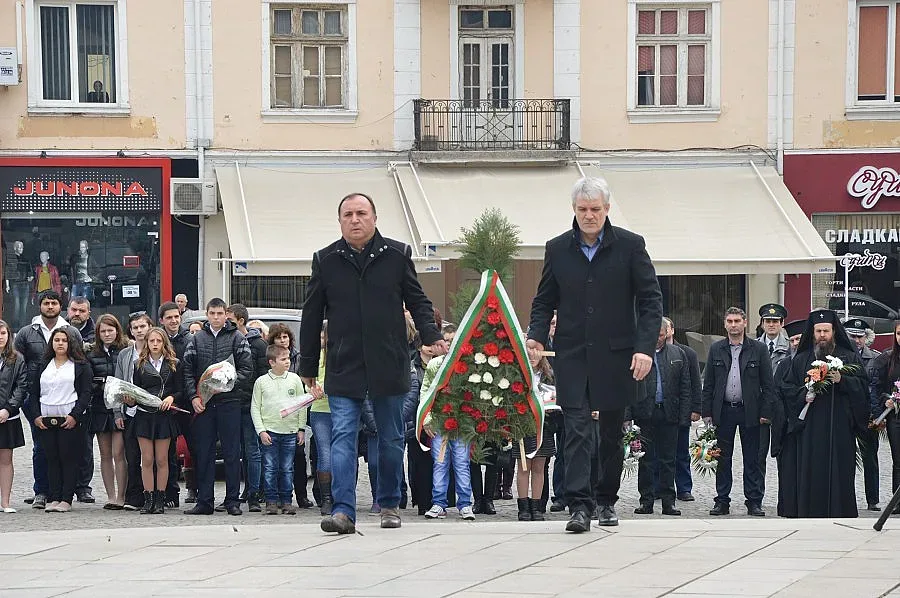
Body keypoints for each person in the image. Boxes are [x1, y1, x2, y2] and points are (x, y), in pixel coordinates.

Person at [300, 192, 445, 534]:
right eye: (348, 214)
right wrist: (307, 365)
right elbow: (310, 315)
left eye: (361, 213)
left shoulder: (397, 255)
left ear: (374, 218)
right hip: (343, 364)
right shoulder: (326, 259)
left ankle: (390, 503)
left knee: (392, 439)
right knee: (343, 438)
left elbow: (418, 299)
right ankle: (343, 511)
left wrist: (430, 334)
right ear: (340, 221)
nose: (355, 219)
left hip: (388, 362)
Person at [526, 176, 662, 533]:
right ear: (574, 210)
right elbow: (543, 301)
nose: (589, 216)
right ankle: (579, 505)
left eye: (596, 210)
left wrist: (644, 349)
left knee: (612, 434)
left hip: (618, 356)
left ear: (607, 210)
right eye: (583, 209)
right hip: (572, 355)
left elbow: (651, 301)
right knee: (576, 430)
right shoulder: (557, 249)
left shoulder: (631, 246)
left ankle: (606, 499)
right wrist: (536, 337)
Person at [779, 309, 869, 518]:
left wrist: (842, 380)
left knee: (840, 472)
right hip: (809, 429)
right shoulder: (801, 359)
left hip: (839, 427)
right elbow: (787, 389)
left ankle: (840, 510)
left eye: (825, 331)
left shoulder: (848, 357)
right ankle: (808, 510)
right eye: (818, 331)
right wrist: (804, 394)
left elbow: (863, 388)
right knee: (810, 470)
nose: (822, 335)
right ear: (812, 333)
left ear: (834, 332)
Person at [182, 298, 253, 516]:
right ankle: (205, 501)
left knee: (232, 453)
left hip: (229, 403)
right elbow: (187, 371)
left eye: (220, 313)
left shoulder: (237, 338)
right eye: (212, 313)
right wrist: (194, 396)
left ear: (226, 315)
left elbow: (246, 370)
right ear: (207, 314)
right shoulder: (196, 339)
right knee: (204, 453)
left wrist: (225, 384)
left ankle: (232, 501)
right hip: (203, 404)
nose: (215, 317)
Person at [701, 307, 775, 517]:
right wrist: (707, 412)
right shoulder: (716, 349)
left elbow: (768, 385)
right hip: (723, 411)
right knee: (722, 458)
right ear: (725, 324)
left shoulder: (758, 349)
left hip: (750, 411)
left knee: (753, 459)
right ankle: (722, 500)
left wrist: (766, 412)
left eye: (737, 321)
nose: (733, 325)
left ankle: (754, 501)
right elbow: (709, 383)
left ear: (745, 323)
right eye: (730, 321)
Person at [16, 290, 82, 510]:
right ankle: (42, 491)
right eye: (46, 303)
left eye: (54, 303)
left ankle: (74, 491)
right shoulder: (27, 332)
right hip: (38, 401)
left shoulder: (71, 332)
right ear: (40, 305)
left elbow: (81, 363)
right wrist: (29, 402)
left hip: (68, 405)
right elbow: (19, 364)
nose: (50, 306)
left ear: (60, 306)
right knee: (41, 449)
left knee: (69, 451)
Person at [627, 321, 691, 516]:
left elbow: (685, 387)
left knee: (668, 460)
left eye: (661, 335)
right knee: (644, 459)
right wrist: (627, 415)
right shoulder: (637, 355)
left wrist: (684, 416)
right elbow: (628, 386)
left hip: (669, 413)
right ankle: (646, 501)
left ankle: (668, 502)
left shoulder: (677, 354)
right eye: (654, 334)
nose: (657, 339)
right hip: (644, 413)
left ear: (667, 333)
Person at [31, 327, 92, 512]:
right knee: (51, 458)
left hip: (69, 418)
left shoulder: (80, 365)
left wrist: (75, 415)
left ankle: (66, 499)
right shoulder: (44, 364)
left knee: (68, 458)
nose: (60, 343)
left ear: (70, 343)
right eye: (56, 340)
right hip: (46, 419)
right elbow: (33, 393)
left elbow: (86, 393)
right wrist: (35, 416)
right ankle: (54, 497)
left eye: (64, 340)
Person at [130, 328, 183, 514]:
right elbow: (135, 391)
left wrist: (171, 399)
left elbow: (180, 390)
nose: (154, 344)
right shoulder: (139, 364)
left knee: (162, 459)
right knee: (147, 459)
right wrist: (130, 399)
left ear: (164, 343)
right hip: (144, 415)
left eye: (158, 341)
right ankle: (148, 499)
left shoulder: (174, 363)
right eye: (151, 340)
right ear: (147, 343)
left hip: (163, 416)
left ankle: (160, 498)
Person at [252, 344, 308, 515]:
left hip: (290, 432)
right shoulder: (261, 382)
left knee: (287, 468)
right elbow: (255, 407)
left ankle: (286, 500)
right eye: (283, 359)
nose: (287, 362)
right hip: (270, 431)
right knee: (269, 467)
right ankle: (270, 500)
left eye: (288, 358)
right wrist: (261, 430)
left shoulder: (294, 379)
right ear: (271, 362)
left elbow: (302, 404)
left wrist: (301, 428)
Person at [420, 355, 475, 521]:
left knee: (462, 463)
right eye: (447, 340)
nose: (450, 343)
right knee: (440, 463)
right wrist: (427, 419)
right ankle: (438, 503)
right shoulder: (435, 364)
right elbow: (426, 391)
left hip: (461, 424)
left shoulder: (468, 364)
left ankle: (465, 504)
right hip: (439, 422)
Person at [226, 303, 267, 513]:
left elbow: (262, 375)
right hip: (233, 402)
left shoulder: (258, 344)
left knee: (253, 450)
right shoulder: (228, 339)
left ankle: (254, 494)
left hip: (251, 402)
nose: (226, 322)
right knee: (240, 450)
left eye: (230, 319)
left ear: (241, 320)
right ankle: (245, 490)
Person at [268, 323, 314, 509]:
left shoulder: (298, 358)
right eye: (279, 337)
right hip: (275, 416)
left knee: (298, 458)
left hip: (296, 414)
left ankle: (301, 495)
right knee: (275, 461)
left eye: (285, 337)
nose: (282, 340)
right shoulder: (270, 359)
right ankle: (276, 496)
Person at [287, 321, 331, 515]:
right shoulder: (316, 357)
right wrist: (315, 388)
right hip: (321, 411)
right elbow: (306, 382)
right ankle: (327, 498)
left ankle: (344, 496)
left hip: (345, 410)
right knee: (325, 454)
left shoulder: (345, 356)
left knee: (345, 454)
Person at [87, 314, 129, 509]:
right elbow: (88, 381)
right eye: (103, 331)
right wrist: (101, 384)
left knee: (119, 452)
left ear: (117, 330)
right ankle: (110, 496)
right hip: (99, 406)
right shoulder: (92, 353)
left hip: (119, 407)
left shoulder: (125, 350)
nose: (107, 334)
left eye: (110, 330)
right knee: (104, 454)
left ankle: (121, 495)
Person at [115, 312, 152, 511]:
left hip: (151, 411)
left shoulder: (156, 349)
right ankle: (134, 495)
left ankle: (153, 495)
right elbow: (119, 383)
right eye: (135, 327)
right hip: (129, 411)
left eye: (142, 326)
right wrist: (117, 412)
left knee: (151, 457)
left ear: (149, 327)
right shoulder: (125, 354)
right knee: (132, 456)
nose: (139, 331)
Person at [845, 317, 882, 511]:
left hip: (867, 415)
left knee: (870, 458)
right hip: (846, 413)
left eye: (860, 336)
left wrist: (876, 414)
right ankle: (845, 495)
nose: (856, 340)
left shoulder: (875, 357)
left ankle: (873, 499)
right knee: (845, 457)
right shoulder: (841, 355)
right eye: (852, 335)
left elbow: (876, 386)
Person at [515, 353, 556, 522]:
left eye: (535, 352)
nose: (532, 356)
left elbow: (554, 397)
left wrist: (552, 406)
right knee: (524, 467)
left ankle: (536, 506)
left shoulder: (549, 376)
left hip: (543, 426)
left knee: (539, 467)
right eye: (528, 352)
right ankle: (523, 508)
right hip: (523, 425)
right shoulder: (517, 374)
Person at [664, 317, 701, 502]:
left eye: (666, 328)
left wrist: (695, 408)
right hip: (659, 410)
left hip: (681, 409)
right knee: (657, 453)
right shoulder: (649, 352)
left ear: (672, 330)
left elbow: (695, 383)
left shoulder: (687, 353)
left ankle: (684, 488)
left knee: (681, 452)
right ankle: (658, 487)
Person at [771, 318, 805, 517]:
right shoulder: (784, 365)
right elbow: (776, 393)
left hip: (807, 426)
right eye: (792, 340)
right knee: (787, 470)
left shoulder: (815, 364)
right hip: (786, 427)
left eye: (799, 339)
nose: (795, 344)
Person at [159, 301, 191, 506]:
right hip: (165, 403)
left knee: (192, 448)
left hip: (186, 401)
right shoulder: (158, 339)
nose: (173, 320)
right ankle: (170, 493)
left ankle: (193, 489)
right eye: (169, 317)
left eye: (176, 317)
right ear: (162, 320)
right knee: (168, 451)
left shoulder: (190, 339)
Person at [756, 303, 789, 499]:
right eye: (768, 321)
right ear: (761, 323)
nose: (771, 325)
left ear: (782, 324)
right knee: (758, 455)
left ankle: (784, 497)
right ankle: (757, 497)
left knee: (782, 454)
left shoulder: (790, 347)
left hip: (781, 406)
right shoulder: (753, 346)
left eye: (775, 321)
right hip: (759, 406)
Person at [868, 321, 900, 514]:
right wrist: (884, 401)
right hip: (895, 417)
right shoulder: (887, 358)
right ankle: (898, 501)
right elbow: (875, 387)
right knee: (898, 461)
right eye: (898, 333)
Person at [0, 320, 27, 512]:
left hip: (7, 415)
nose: (0, 337)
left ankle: (6, 501)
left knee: (6, 459)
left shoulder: (17, 358)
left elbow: (21, 386)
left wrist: (8, 409)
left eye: (3, 333)